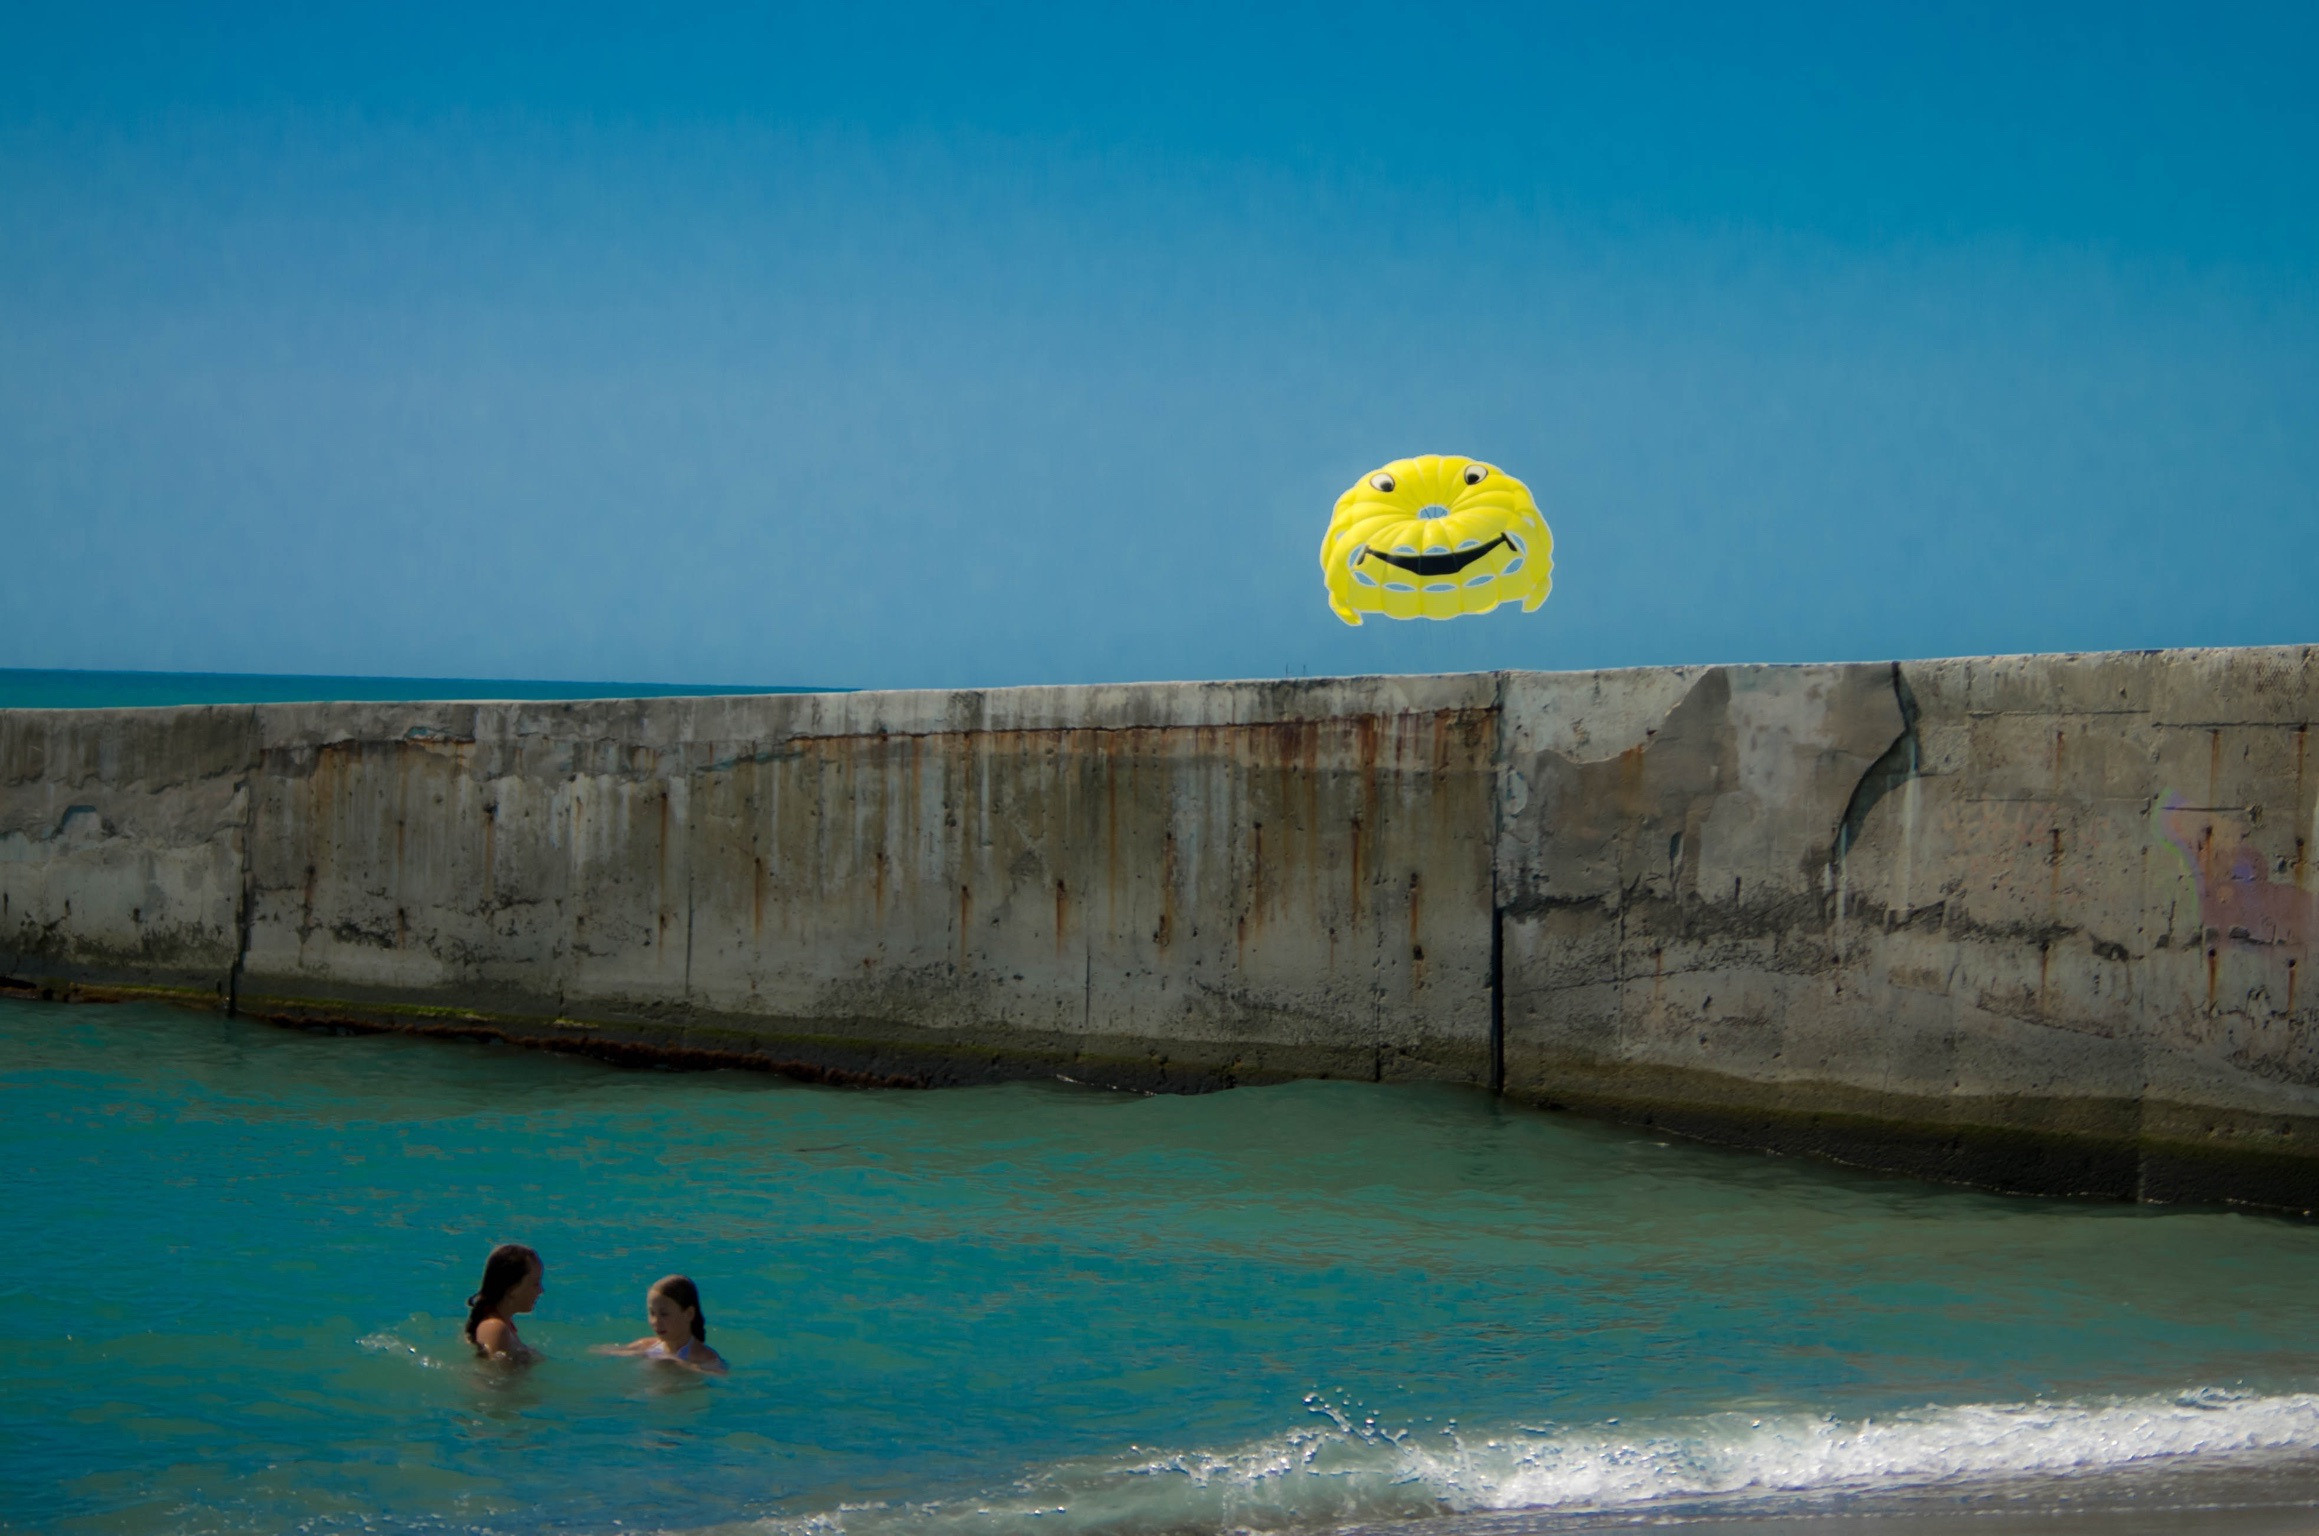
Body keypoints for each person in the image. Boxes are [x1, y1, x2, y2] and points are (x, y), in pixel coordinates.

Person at [596, 1274, 727, 1374]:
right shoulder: (645, 1346)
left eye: (664, 1314)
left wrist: (681, 1365)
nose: (656, 1321)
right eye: (652, 1313)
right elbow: (599, 1352)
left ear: (689, 1314)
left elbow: (722, 1376)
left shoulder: (704, 1357)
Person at [465, 1243, 544, 1361]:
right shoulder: (496, 1328)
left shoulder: (505, 1326)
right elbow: (493, 1377)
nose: (541, 1291)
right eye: (535, 1283)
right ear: (512, 1289)